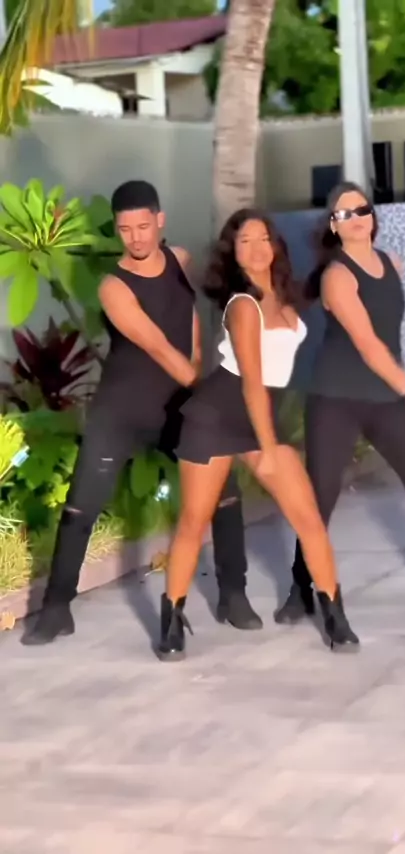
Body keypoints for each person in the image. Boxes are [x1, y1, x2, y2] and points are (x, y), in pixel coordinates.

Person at [22, 181, 261, 646]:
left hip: (179, 405)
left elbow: (191, 313)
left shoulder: (181, 261)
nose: (135, 237)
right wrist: (207, 391)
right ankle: (56, 609)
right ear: (117, 229)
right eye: (126, 229)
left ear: (159, 221)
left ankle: (234, 595)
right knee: (80, 505)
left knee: (224, 493)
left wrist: (202, 362)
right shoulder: (113, 287)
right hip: (123, 408)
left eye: (143, 227)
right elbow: (158, 347)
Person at [156, 208, 360, 662]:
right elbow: (251, 380)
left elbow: (327, 278)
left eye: (262, 238)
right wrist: (268, 447)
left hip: (260, 413)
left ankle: (335, 615)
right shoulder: (243, 305)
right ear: (233, 252)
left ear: (275, 245)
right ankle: (171, 619)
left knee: (308, 517)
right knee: (194, 521)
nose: (255, 249)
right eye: (244, 241)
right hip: (218, 415)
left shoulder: (285, 295)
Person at [275, 180, 405, 630]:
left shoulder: (392, 264)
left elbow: (386, 334)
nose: (355, 219)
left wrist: (399, 391)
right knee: (320, 499)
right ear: (333, 225)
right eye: (344, 214)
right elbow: (367, 344)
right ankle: (300, 590)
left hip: (383, 398)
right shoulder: (336, 276)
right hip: (337, 397)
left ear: (372, 216)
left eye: (361, 210)